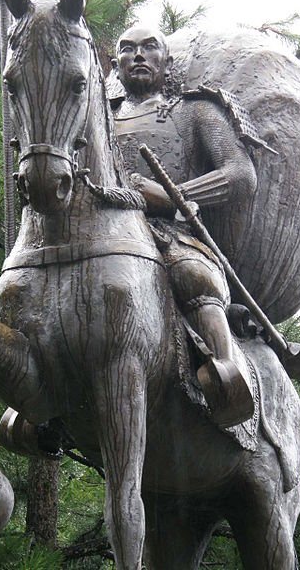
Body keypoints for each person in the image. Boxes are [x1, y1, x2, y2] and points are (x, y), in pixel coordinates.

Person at [112, 25, 260, 427]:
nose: (138, 55)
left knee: (193, 275)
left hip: (172, 233)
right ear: (115, 65)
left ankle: (227, 374)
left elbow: (240, 174)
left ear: (167, 60)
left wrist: (172, 194)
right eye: (128, 49)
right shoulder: (98, 117)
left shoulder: (195, 111)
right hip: (106, 230)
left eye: (149, 47)